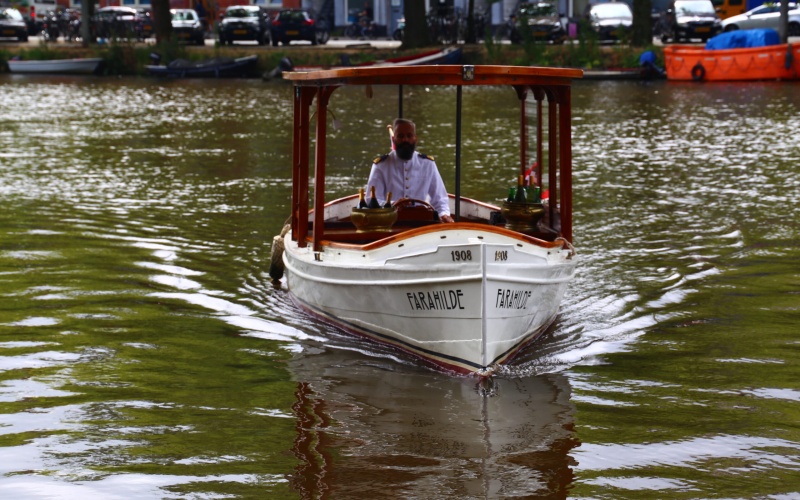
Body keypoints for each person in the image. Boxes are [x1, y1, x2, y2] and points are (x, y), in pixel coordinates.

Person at [366, 118, 454, 223]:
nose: (405, 140)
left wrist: (444, 215)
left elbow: (440, 199)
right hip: (390, 223)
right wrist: (393, 204)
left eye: (409, 136)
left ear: (415, 138)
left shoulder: (428, 164)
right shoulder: (381, 165)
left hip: (422, 224)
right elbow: (372, 201)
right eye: (401, 136)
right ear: (394, 140)